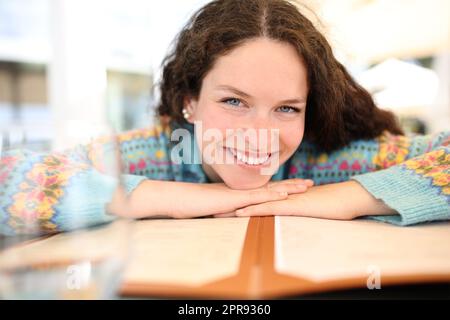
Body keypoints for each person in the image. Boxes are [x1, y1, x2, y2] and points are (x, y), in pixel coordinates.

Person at [1, 0, 448, 236]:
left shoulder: (332, 159)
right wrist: (176, 198)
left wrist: (340, 199)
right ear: (189, 102)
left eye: (287, 108)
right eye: (234, 101)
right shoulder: (154, 153)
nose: (260, 135)